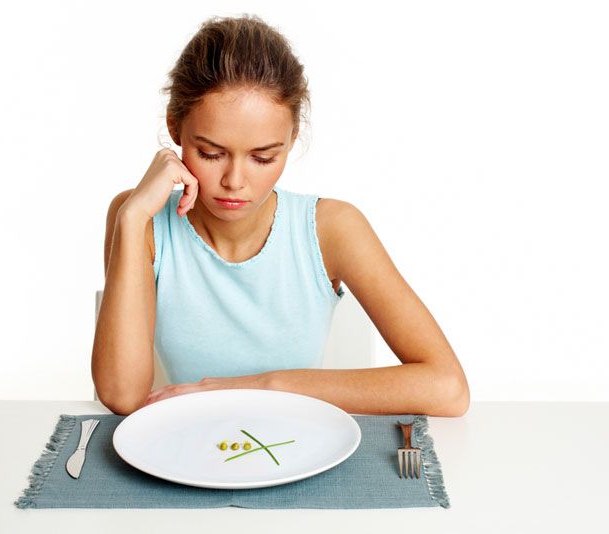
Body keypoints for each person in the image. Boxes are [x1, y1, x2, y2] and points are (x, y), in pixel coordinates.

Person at [92, 14, 470, 417]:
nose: (235, 181)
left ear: (291, 140)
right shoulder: (138, 219)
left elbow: (447, 388)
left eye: (263, 157)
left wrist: (266, 385)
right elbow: (122, 396)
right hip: (187, 447)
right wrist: (131, 218)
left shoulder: (332, 228)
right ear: (175, 128)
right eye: (210, 153)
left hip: (302, 446)